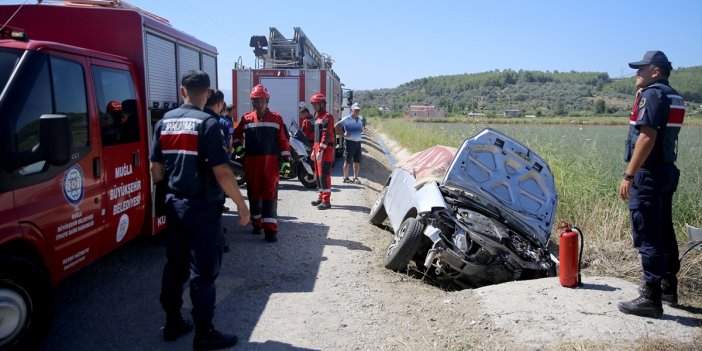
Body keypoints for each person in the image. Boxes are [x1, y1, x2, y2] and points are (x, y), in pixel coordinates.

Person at [150, 70, 250, 350]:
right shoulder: (208, 123)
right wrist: (242, 205)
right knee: (203, 272)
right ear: (207, 94)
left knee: (175, 266)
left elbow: (156, 170)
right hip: (203, 209)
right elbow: (222, 171)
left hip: (174, 204)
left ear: (183, 91)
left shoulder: (164, 122)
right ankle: (204, 332)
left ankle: (172, 323)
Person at [617, 51, 686, 319]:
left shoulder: (652, 94)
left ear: (655, 71)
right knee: (664, 229)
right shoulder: (673, 95)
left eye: (641, 69)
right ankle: (668, 287)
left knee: (647, 233)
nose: (637, 73)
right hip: (667, 170)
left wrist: (629, 175)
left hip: (649, 174)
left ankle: (651, 297)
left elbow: (647, 136)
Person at [231, 84, 291, 242]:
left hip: (270, 163)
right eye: (256, 101)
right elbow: (236, 136)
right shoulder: (246, 118)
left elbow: (283, 141)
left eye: (263, 101)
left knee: (270, 195)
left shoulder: (277, 118)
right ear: (252, 102)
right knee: (254, 194)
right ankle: (256, 223)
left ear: (267, 101)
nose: (260, 104)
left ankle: (270, 230)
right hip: (251, 163)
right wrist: (239, 149)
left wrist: (286, 160)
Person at [309, 93, 335, 210]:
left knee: (324, 175)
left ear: (322, 104)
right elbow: (317, 136)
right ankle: (321, 197)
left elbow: (326, 134)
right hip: (317, 148)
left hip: (325, 150)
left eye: (316, 104)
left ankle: (326, 201)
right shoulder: (318, 117)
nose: (314, 107)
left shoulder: (327, 117)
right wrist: (314, 150)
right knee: (318, 175)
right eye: (313, 104)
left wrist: (321, 150)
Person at [335, 102, 366, 184]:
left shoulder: (360, 120)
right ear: (351, 110)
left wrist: (361, 131)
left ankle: (355, 178)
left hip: (358, 143)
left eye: (358, 110)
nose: (357, 112)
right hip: (349, 143)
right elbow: (336, 126)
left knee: (357, 161)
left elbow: (360, 129)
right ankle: (345, 178)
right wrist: (343, 134)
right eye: (355, 110)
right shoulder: (347, 119)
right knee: (347, 161)